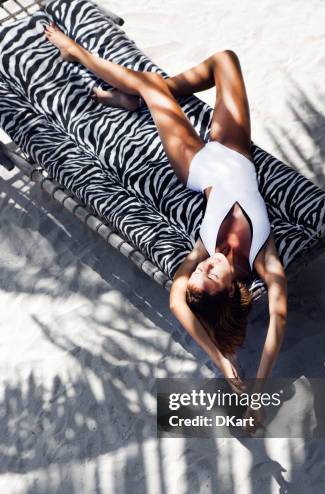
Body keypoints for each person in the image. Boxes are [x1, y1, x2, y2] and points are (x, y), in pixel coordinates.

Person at [44, 22, 288, 433]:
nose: (204, 265)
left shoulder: (204, 250)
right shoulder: (264, 258)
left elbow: (177, 301)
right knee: (224, 61)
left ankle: (84, 59)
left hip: (195, 166)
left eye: (197, 271)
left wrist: (222, 361)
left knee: (155, 86)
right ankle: (135, 94)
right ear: (230, 289)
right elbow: (279, 317)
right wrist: (257, 389)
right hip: (235, 151)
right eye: (208, 275)